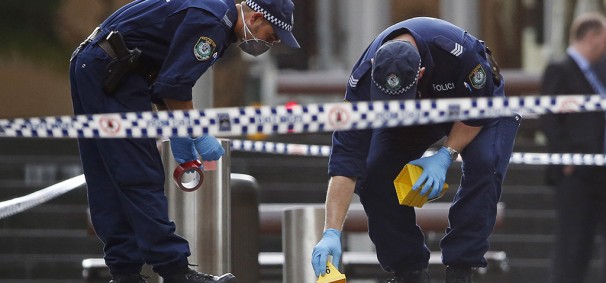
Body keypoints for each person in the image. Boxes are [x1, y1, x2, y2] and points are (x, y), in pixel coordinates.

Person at [69, 0, 299, 282]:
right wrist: (196, 133)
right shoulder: (213, 24)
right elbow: (175, 85)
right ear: (255, 18)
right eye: (271, 36)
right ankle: (175, 271)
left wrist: (177, 130)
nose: (270, 44)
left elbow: (164, 80)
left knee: (108, 175)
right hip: (111, 73)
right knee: (140, 175)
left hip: (96, 65)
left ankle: (125, 272)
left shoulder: (214, 13)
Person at [310, 17, 520, 283]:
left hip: (472, 107)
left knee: (485, 164)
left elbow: (478, 111)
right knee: (374, 176)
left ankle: (461, 269)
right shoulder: (361, 81)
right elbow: (345, 163)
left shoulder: (457, 52)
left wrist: (446, 154)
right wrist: (331, 232)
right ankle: (408, 271)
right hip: (413, 117)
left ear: (419, 73)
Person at [539, 12, 606, 283]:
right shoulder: (560, 70)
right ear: (591, 37)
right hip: (576, 173)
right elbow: (550, 119)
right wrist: (567, 158)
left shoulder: (599, 71)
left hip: (600, 172)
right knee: (572, 245)